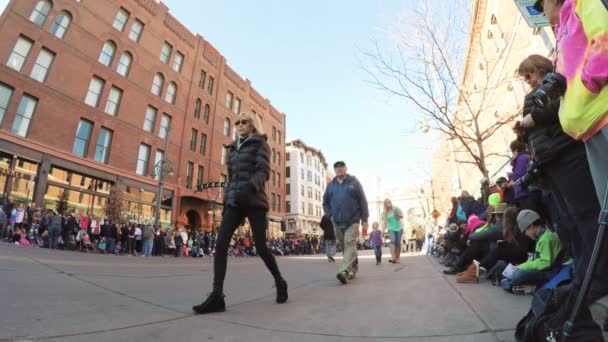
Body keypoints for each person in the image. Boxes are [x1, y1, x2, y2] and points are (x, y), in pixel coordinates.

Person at [192, 112, 287, 314]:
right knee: (221, 243)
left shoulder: (260, 144)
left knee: (261, 247)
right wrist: (227, 200)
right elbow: (232, 177)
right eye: (238, 123)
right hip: (235, 202)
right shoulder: (232, 149)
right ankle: (217, 295)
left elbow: (264, 170)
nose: (240, 125)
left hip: (254, 200)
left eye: (244, 122)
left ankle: (279, 281)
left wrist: (251, 187)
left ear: (253, 126)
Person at [456, 207, 533, 283]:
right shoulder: (513, 227)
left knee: (496, 248)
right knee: (496, 247)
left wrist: (469, 237)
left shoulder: (501, 227)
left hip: (522, 257)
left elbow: (483, 234)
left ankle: (472, 270)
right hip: (520, 254)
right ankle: (473, 270)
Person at [322, 160, 369, 284]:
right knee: (345, 247)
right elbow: (325, 202)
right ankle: (352, 269)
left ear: (346, 168)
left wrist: (365, 219)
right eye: (336, 167)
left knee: (349, 243)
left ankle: (343, 271)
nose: (339, 169)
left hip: (353, 220)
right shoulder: (331, 185)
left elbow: (363, 201)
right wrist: (330, 214)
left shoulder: (354, 182)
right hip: (337, 221)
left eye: (341, 167)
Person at [500, 210, 561, 294]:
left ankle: (512, 284)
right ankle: (517, 285)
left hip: (550, 273)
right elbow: (536, 258)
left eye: (525, 231)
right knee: (512, 271)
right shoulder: (541, 236)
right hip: (544, 270)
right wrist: (520, 266)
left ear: (531, 226)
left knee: (518, 275)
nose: (526, 234)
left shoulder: (546, 239)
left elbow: (544, 263)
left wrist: (522, 267)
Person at [382, 199, 403, 264]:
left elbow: (402, 216)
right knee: (392, 241)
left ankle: (398, 258)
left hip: (399, 228)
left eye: (389, 202)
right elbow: (385, 223)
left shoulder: (396, 209)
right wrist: (382, 231)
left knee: (398, 243)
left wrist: (399, 215)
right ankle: (393, 257)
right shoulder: (384, 213)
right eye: (387, 203)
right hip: (391, 228)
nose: (389, 203)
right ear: (385, 205)